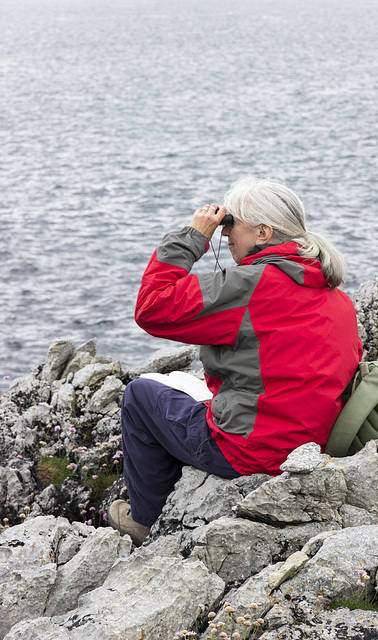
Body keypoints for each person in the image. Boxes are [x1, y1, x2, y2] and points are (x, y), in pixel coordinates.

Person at [108, 176, 362, 545]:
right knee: (194, 389)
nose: (225, 235)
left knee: (139, 396)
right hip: (314, 445)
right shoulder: (333, 292)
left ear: (262, 231)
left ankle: (144, 520)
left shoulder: (251, 285)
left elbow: (152, 309)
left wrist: (194, 236)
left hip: (253, 452)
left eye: (232, 225)